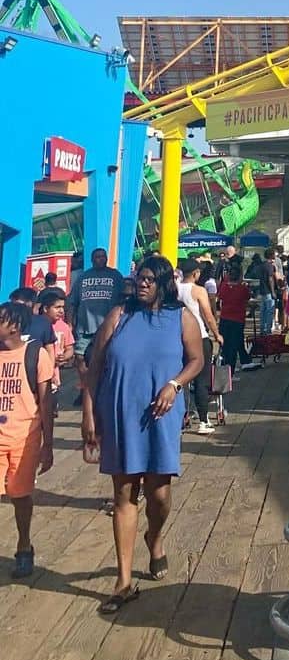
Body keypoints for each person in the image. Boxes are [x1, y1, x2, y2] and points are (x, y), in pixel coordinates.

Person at [81, 255, 204, 612]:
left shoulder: (180, 317)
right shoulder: (119, 315)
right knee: (124, 495)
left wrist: (174, 385)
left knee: (159, 495)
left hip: (160, 415)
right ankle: (122, 582)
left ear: (164, 283)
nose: (142, 284)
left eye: (149, 279)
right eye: (139, 278)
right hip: (120, 413)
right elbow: (95, 366)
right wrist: (89, 414)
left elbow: (196, 360)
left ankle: (155, 536)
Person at [0, 300, 55, 577]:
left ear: (15, 326)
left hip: (25, 438)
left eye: (1, 319)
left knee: (20, 496)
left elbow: (46, 402)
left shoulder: (35, 354)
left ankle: (24, 546)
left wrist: (49, 445)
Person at [68, 247, 125, 402]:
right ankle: (85, 387)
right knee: (79, 358)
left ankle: (107, 389)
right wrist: (70, 324)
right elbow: (72, 302)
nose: (101, 259)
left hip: (109, 329)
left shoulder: (115, 276)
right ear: (92, 259)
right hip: (85, 328)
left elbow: (123, 299)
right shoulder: (83, 277)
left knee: (109, 359)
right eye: (97, 256)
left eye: (103, 256)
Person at [176, 260, 222, 434]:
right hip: (199, 337)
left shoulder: (174, 289)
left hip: (178, 338)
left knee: (181, 380)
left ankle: (181, 417)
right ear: (195, 273)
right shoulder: (198, 290)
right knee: (201, 381)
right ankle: (203, 421)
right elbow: (208, 316)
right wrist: (217, 334)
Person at [217, 260, 258, 372]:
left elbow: (221, 298)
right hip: (237, 320)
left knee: (226, 345)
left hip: (224, 318)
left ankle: (243, 361)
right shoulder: (242, 289)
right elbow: (247, 299)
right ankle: (231, 370)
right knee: (233, 345)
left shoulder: (224, 287)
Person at [38, 287, 74, 406]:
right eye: (57, 307)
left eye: (63, 307)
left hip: (54, 375)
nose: (61, 311)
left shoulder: (64, 327)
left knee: (51, 406)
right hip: (39, 373)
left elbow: (70, 348)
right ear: (45, 309)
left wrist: (65, 356)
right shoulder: (37, 325)